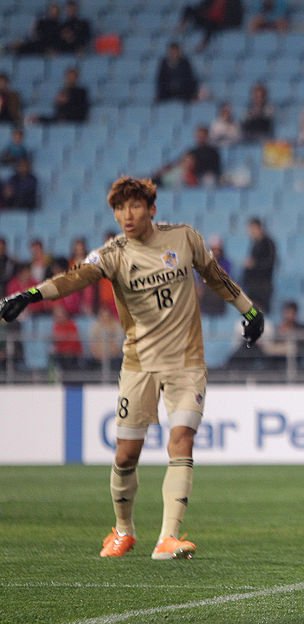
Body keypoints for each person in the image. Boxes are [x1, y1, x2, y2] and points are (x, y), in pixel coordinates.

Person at [0, 176, 265, 560]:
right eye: (120, 208)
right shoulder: (113, 253)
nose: (127, 214)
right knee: (126, 453)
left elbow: (216, 276)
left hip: (186, 361)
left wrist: (249, 310)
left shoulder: (183, 239)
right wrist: (29, 295)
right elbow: (75, 278)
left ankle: (168, 538)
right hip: (139, 364)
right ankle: (123, 530)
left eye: (135, 206)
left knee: (182, 441)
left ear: (151, 209)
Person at [179, 0, 244, 52]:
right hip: (207, 18)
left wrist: (222, 20)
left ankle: (203, 44)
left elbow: (237, 19)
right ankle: (181, 27)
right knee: (188, 9)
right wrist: (204, 13)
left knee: (211, 23)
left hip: (221, 23)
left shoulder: (235, 2)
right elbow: (201, 7)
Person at [262, 299, 304, 369]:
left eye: (290, 313)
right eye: (286, 312)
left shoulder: (302, 329)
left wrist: (284, 348)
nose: (288, 316)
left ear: (295, 314)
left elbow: (300, 348)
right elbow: (270, 348)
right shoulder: (277, 329)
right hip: (277, 362)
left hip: (295, 361)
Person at [242, 216, 276, 311]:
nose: (251, 232)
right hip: (252, 285)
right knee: (250, 311)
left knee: (262, 311)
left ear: (259, 228)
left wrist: (255, 264)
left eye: (252, 229)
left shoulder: (268, 243)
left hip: (263, 285)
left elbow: (270, 262)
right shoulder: (254, 244)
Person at [197, 235, 232, 315]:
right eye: (214, 249)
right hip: (206, 296)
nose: (216, 252)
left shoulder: (226, 263)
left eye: (218, 249)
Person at [88, 305, 123, 372]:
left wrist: (106, 355)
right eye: (102, 316)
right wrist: (100, 356)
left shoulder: (117, 326)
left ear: (110, 316)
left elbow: (117, 348)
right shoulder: (94, 326)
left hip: (113, 358)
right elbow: (93, 347)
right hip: (97, 358)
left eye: (107, 316)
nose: (105, 319)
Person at [50, 303, 83, 370]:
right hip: (61, 354)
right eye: (56, 316)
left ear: (65, 315)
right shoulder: (56, 326)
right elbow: (56, 341)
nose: (58, 318)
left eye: (60, 315)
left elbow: (74, 343)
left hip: (73, 354)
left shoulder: (72, 325)